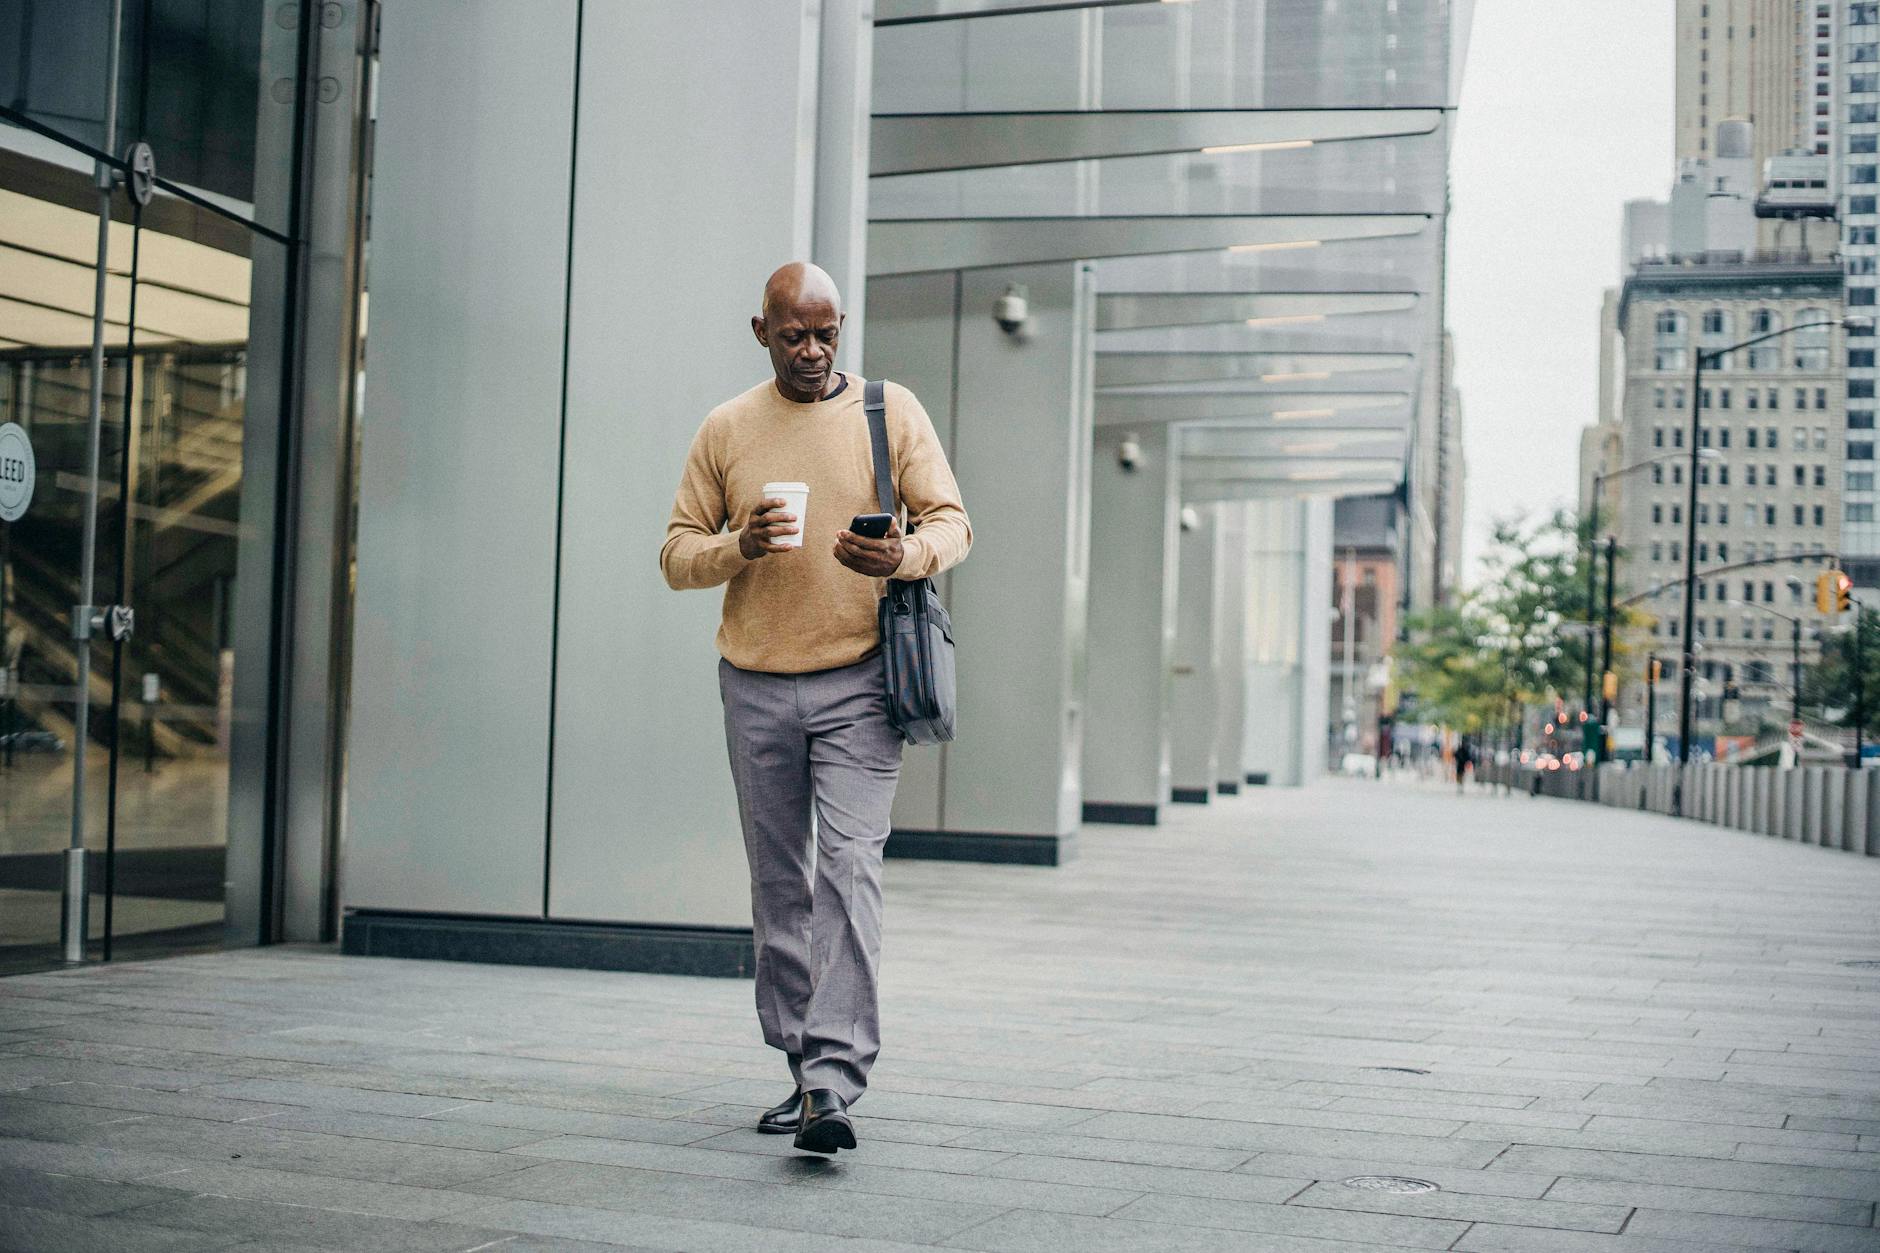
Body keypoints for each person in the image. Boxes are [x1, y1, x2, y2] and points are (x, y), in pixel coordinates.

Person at [659, 262, 972, 1155]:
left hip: (861, 683)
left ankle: (835, 1080)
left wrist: (903, 555)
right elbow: (676, 554)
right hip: (754, 680)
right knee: (779, 881)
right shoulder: (727, 427)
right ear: (761, 331)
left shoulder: (888, 411)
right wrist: (738, 544)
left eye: (827, 332)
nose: (812, 349)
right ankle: (800, 1067)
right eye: (794, 333)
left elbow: (953, 520)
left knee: (849, 868)